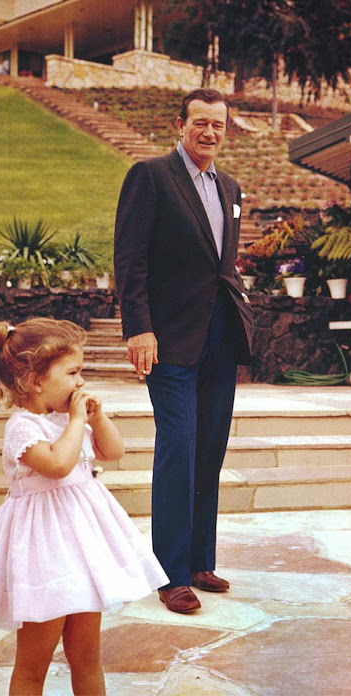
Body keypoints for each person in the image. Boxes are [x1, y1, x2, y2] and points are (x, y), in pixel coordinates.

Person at [0, 317, 168, 695]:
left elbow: (114, 451)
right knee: (32, 665)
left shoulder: (69, 420)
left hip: (82, 548)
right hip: (44, 554)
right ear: (35, 380)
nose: (81, 382)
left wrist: (96, 417)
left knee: (87, 656)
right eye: (73, 372)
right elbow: (58, 466)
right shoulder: (23, 427)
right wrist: (77, 420)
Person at [114, 88, 253, 614]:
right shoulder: (150, 176)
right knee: (179, 444)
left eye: (218, 125)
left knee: (210, 448)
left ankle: (199, 560)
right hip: (168, 339)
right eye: (201, 122)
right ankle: (170, 574)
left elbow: (222, 264)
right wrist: (139, 329)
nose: (210, 132)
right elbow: (130, 259)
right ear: (181, 124)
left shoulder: (230, 186)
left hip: (219, 334)